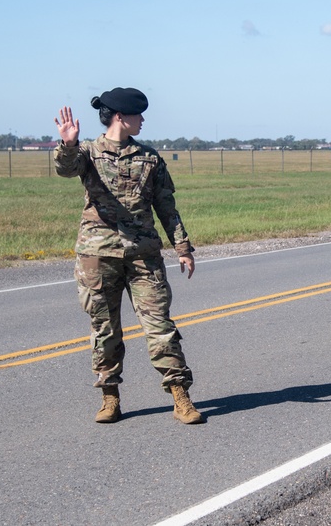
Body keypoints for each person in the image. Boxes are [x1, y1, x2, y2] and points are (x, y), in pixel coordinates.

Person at [53, 87, 204, 425]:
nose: (143, 120)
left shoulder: (150, 159)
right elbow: (66, 168)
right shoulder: (88, 152)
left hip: (143, 256)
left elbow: (167, 207)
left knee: (160, 326)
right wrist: (68, 143)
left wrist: (183, 248)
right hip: (97, 254)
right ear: (120, 116)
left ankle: (180, 395)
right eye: (138, 115)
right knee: (104, 329)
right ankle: (110, 397)